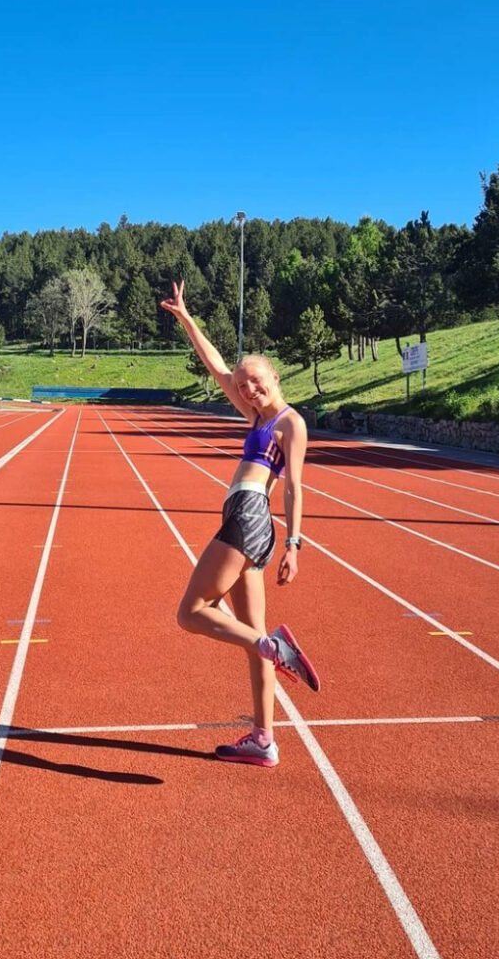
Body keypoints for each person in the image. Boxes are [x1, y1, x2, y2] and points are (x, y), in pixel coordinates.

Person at [160, 280, 320, 768]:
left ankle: (273, 645)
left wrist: (294, 544)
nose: (249, 388)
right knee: (250, 635)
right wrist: (187, 319)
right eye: (245, 383)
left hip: (252, 516)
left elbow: (293, 485)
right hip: (251, 522)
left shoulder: (290, 423)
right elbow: (215, 365)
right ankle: (264, 738)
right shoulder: (255, 417)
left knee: (191, 613)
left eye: (257, 381)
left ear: (275, 377)